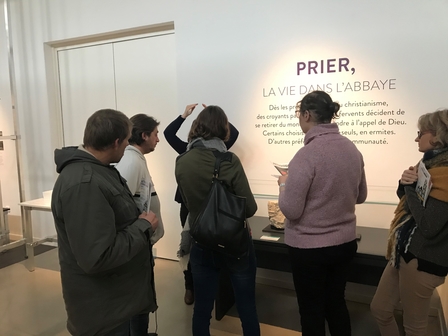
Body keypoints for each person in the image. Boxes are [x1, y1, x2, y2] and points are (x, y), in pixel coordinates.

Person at [51, 109, 159, 336]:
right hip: (106, 314)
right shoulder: (85, 184)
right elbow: (97, 256)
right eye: (128, 141)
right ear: (117, 142)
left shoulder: (99, 172)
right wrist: (143, 227)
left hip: (117, 301)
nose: (129, 146)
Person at [278, 90, 367, 336]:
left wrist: (283, 184)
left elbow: (292, 210)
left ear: (307, 114)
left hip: (309, 250)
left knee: (311, 311)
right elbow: (360, 196)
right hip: (344, 244)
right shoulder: (352, 149)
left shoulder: (305, 155)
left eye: (299, 115)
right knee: (336, 304)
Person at [175, 105, 259, 336]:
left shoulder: (182, 161)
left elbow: (190, 203)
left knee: (202, 308)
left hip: (201, 240)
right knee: (246, 306)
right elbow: (250, 208)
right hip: (236, 244)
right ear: (223, 129)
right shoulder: (229, 160)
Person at [370, 109, 448, 336]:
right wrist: (405, 185)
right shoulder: (430, 164)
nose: (416, 138)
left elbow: (428, 225)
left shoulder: (444, 173)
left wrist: (410, 188)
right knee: (380, 309)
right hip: (404, 251)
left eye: (420, 133)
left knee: (414, 327)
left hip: (423, 259)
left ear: (437, 135)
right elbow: (409, 201)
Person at [164, 103, 239, 305]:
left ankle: (208, 288)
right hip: (190, 206)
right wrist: (184, 115)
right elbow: (168, 133)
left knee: (207, 248)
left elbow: (236, 133)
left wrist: (214, 117)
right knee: (191, 248)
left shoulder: (220, 150)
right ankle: (190, 287)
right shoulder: (187, 149)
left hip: (214, 206)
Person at [116, 114, 164, 246]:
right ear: (144, 135)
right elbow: (122, 203)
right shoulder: (132, 161)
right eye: (155, 134)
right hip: (137, 242)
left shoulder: (136, 159)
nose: (158, 139)